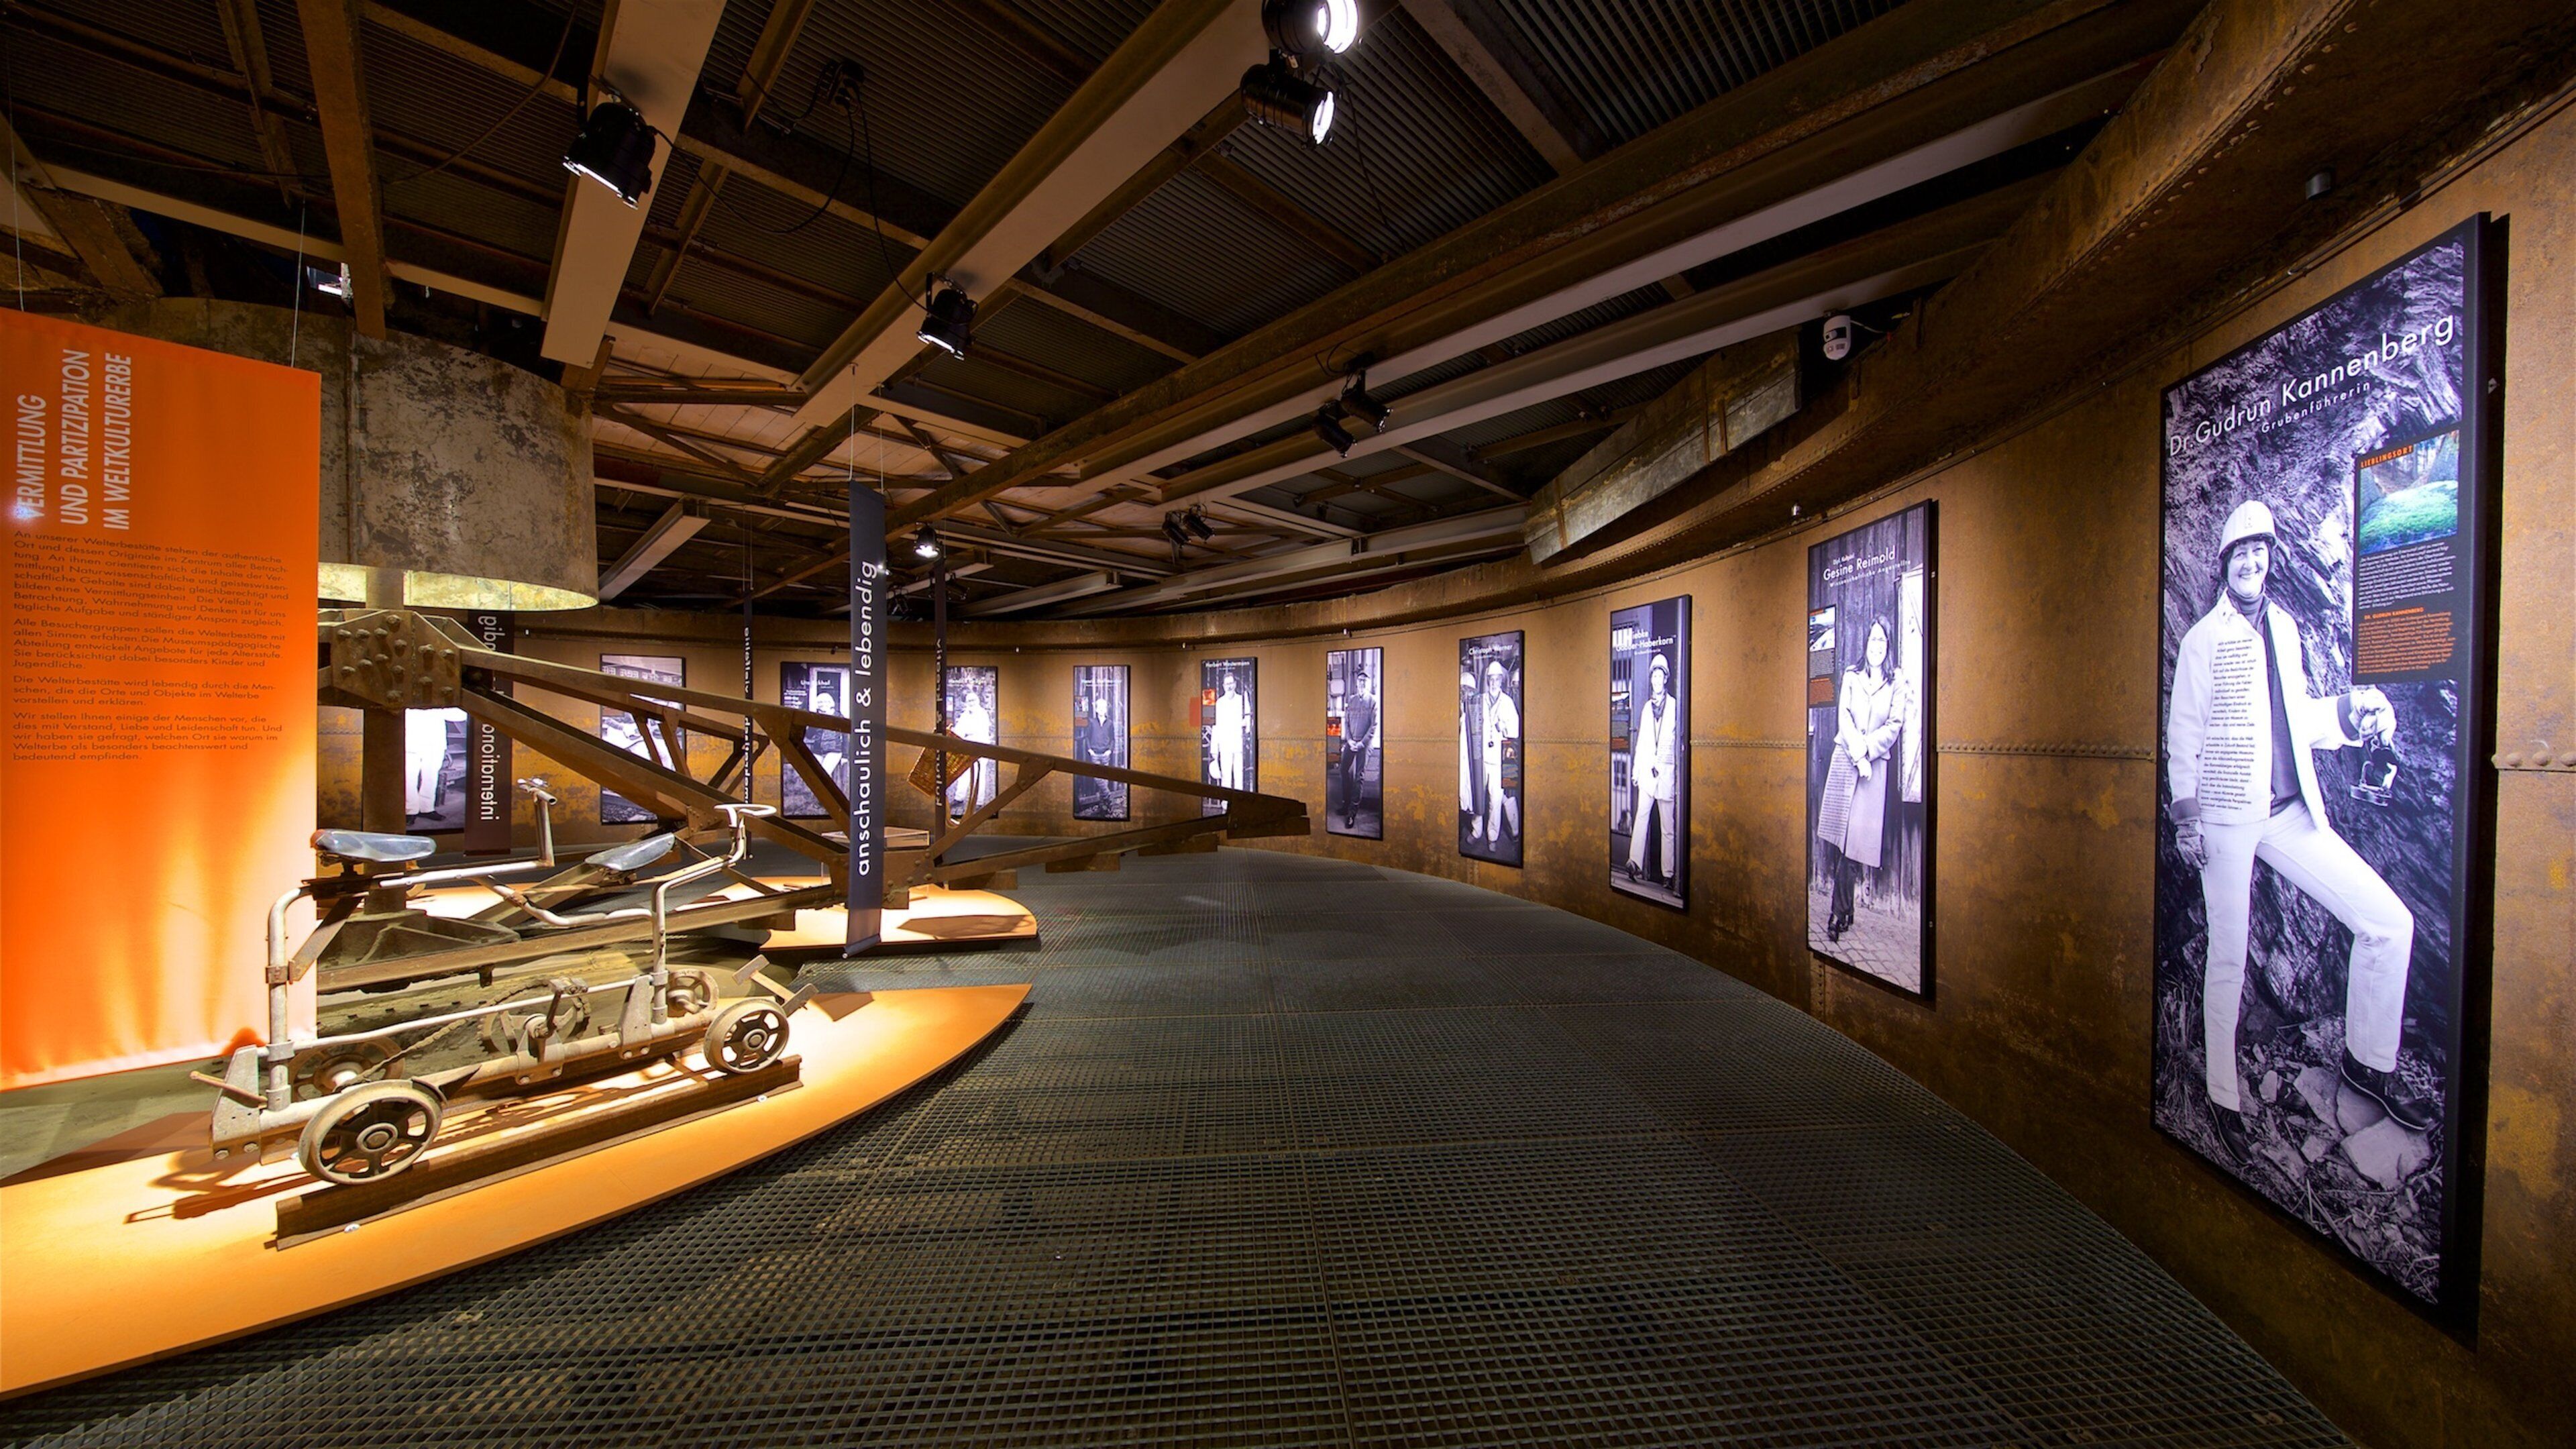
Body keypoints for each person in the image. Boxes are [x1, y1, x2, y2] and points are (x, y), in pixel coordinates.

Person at [2167, 499, 2427, 1148]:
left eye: (2261, 550)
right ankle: (2223, 1097)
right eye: (2240, 552)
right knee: (2228, 953)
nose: (2252, 561)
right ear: (2224, 563)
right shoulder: (2203, 640)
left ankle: (2368, 1063)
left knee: (2389, 922)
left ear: (2270, 558)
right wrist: (2187, 819)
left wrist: (2352, 714)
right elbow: (2183, 737)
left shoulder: (2284, 627)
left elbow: (2296, 718)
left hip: (2287, 813)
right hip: (2225, 816)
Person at [1815, 617, 1902, 943]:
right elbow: (1845, 717)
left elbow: (1894, 727)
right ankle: (1846, 910)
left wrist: (1869, 750)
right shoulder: (1852, 677)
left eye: (1883, 641)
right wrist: (1858, 754)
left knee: (1854, 847)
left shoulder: (1896, 684)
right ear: (1865, 643)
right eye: (1873, 640)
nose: (1877, 646)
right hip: (1848, 764)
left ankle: (1838, 914)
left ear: (1888, 646)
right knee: (1843, 843)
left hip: (1872, 773)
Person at [1623, 653, 1678, 888]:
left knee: (1668, 826)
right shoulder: (1647, 708)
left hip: (1666, 773)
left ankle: (1668, 874)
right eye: (1653, 676)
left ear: (1666, 678)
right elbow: (1642, 742)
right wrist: (1636, 771)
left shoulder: (1675, 706)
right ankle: (1634, 862)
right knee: (1641, 816)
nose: (1656, 680)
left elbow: (1677, 743)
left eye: (1660, 676)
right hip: (1647, 772)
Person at [1476, 657, 1519, 849]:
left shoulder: (1508, 702)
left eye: (1497, 679)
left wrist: (1504, 726)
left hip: (1498, 762)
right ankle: (1476, 830)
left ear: (1502, 681)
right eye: (1490, 679)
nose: (1493, 683)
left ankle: (1492, 837)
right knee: (1478, 796)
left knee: (1495, 800)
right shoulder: (1480, 700)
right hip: (1480, 759)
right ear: (1487, 680)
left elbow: (1516, 731)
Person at [1338, 667, 1378, 828]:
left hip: (1364, 744)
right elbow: (1346, 723)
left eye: (1364, 682)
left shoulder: (1373, 701)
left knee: (1359, 776)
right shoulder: (1352, 700)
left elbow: (1374, 726)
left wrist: (1361, 743)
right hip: (1351, 742)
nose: (1361, 684)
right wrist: (1349, 740)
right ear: (1356, 684)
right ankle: (1346, 804)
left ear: (1368, 684)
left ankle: (1352, 813)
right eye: (1359, 681)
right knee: (1343, 770)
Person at [1077, 690, 1122, 815]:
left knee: (1104, 779)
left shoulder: (1110, 723)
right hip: (1095, 754)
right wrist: (1090, 750)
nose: (1102, 709)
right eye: (1099, 707)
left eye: (1104, 707)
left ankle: (1103, 806)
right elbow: (1087, 737)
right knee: (1098, 778)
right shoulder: (1091, 722)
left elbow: (1113, 739)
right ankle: (1109, 798)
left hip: (1105, 755)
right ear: (1096, 709)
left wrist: (1110, 750)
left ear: (1106, 709)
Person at [1211, 670, 1248, 791]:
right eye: (1227, 684)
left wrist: (1245, 725)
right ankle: (1225, 803)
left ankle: (1240, 803)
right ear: (1223, 686)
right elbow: (1216, 726)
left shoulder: (1242, 700)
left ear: (1235, 684)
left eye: (1231, 683)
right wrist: (1215, 750)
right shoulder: (1220, 703)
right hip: (1225, 745)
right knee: (1226, 776)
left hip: (1238, 744)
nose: (1229, 686)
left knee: (1239, 775)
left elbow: (1248, 719)